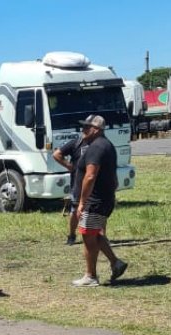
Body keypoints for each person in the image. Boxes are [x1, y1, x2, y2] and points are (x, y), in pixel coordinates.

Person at [72, 115, 128, 287]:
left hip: (95, 200)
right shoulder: (106, 145)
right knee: (94, 234)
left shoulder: (97, 147)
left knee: (88, 237)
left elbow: (90, 176)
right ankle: (116, 263)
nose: (83, 130)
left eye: (86, 127)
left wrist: (82, 202)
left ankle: (91, 276)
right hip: (102, 199)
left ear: (95, 129)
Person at [52, 134, 86, 245]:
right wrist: (68, 166)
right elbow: (57, 154)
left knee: (97, 211)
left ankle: (101, 237)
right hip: (78, 182)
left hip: (95, 182)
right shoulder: (76, 143)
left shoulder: (98, 144)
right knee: (75, 209)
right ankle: (72, 235)